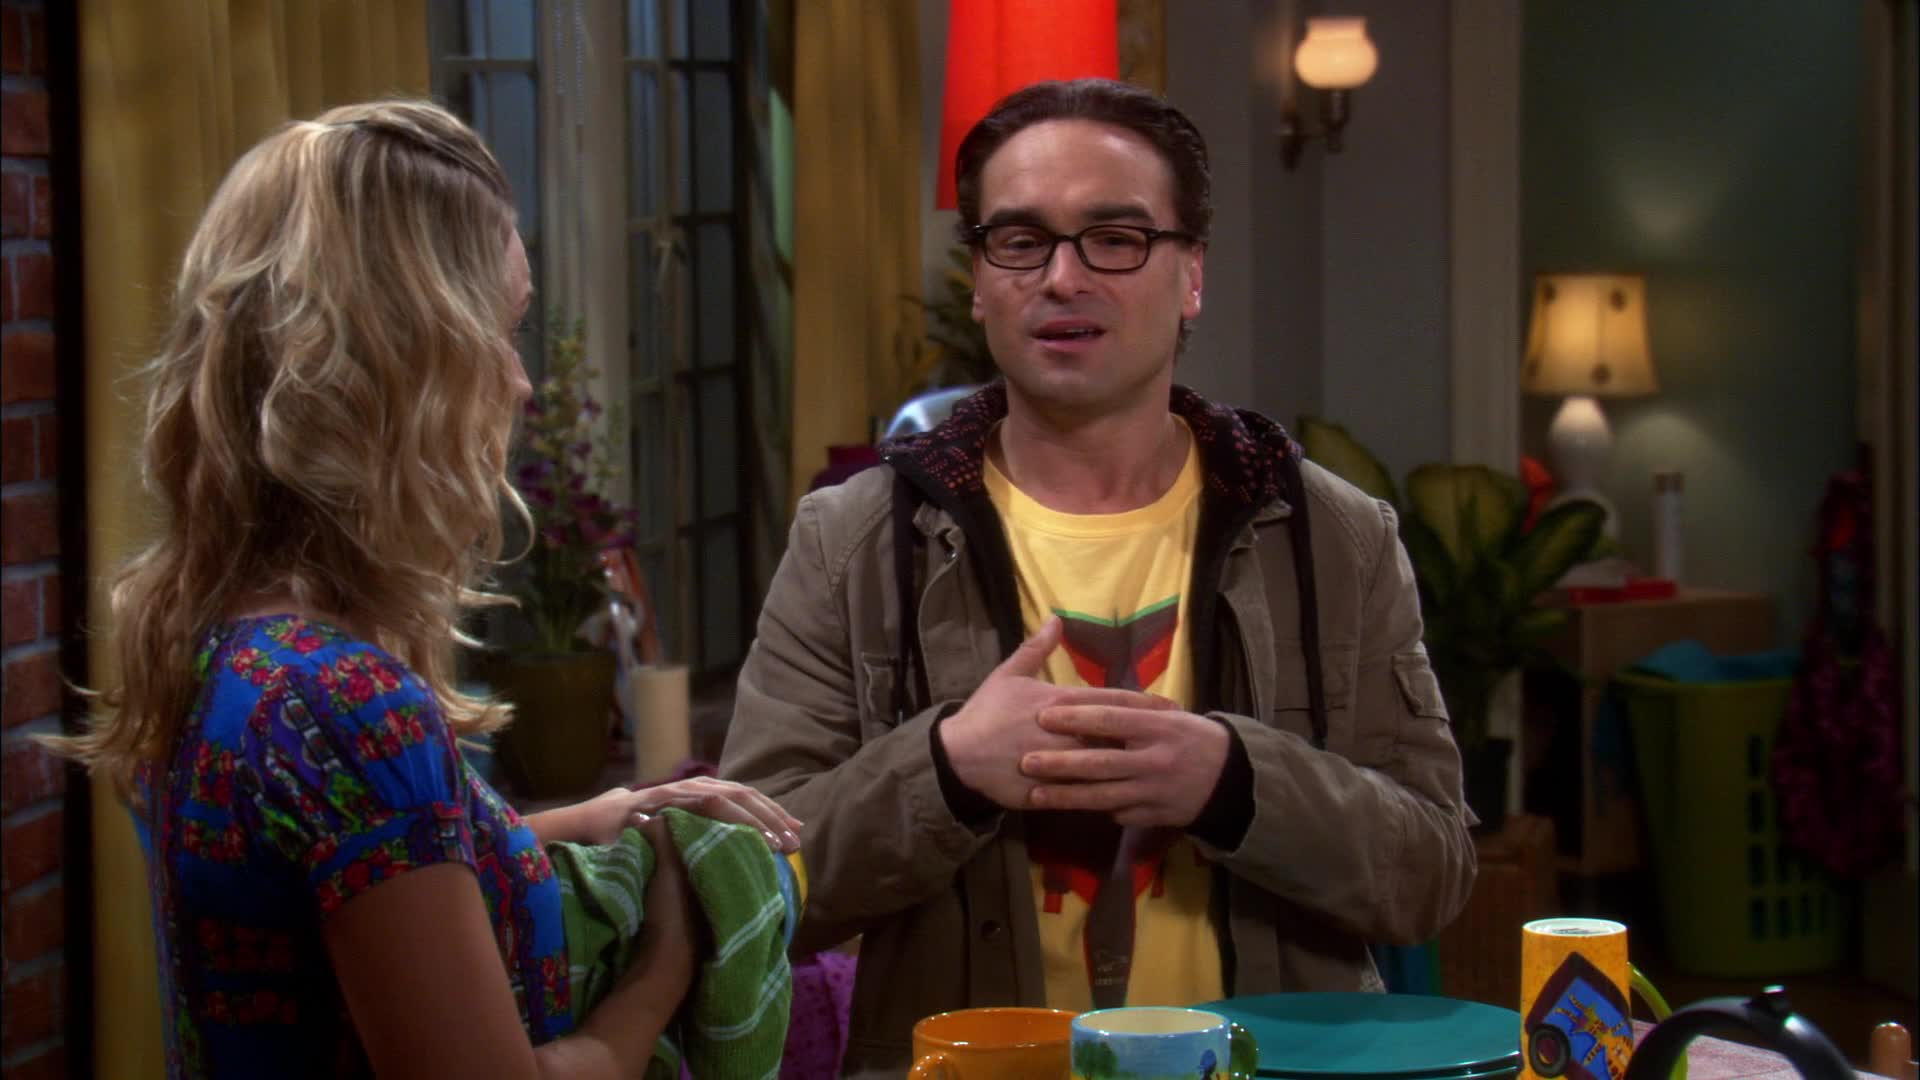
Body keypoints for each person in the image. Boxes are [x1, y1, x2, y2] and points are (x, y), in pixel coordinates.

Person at [720, 78, 1476, 1075]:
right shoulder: (852, 542)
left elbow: (1430, 875)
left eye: (1115, 239)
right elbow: (746, 891)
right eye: (1020, 241)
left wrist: (1235, 783)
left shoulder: (1334, 536)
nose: (1062, 277)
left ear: (1192, 274)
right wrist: (944, 770)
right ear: (980, 279)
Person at [53, 100, 799, 1078]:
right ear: (401, 365)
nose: (521, 382)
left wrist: (594, 816)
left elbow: (372, 880)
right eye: (501, 328)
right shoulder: (346, 701)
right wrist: (673, 952)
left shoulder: (222, 642)